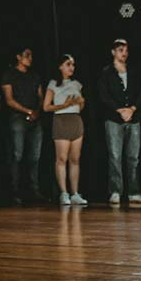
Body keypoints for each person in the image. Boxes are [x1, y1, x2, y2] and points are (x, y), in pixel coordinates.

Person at [97, 38, 141, 205]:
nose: (124, 53)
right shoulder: (106, 72)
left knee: (133, 157)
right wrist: (120, 110)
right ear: (113, 52)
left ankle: (134, 192)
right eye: (121, 50)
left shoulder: (134, 71)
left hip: (133, 118)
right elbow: (104, 95)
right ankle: (115, 191)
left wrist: (132, 109)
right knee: (115, 156)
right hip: (114, 119)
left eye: (126, 50)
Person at [1, 46, 44, 204]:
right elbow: (9, 100)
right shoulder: (9, 75)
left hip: (35, 119)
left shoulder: (35, 76)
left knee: (35, 157)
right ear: (18, 57)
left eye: (31, 55)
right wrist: (28, 111)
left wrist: (36, 112)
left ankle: (34, 190)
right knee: (17, 155)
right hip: (18, 117)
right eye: (27, 55)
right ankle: (15, 191)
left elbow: (41, 96)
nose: (30, 58)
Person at [43, 54, 87, 206]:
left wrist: (81, 102)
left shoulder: (77, 84)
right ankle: (64, 192)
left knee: (75, 159)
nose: (71, 68)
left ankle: (75, 193)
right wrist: (65, 105)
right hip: (61, 120)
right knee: (62, 159)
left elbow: (80, 106)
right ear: (60, 66)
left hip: (75, 120)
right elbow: (46, 107)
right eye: (68, 64)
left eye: (73, 65)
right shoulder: (53, 84)